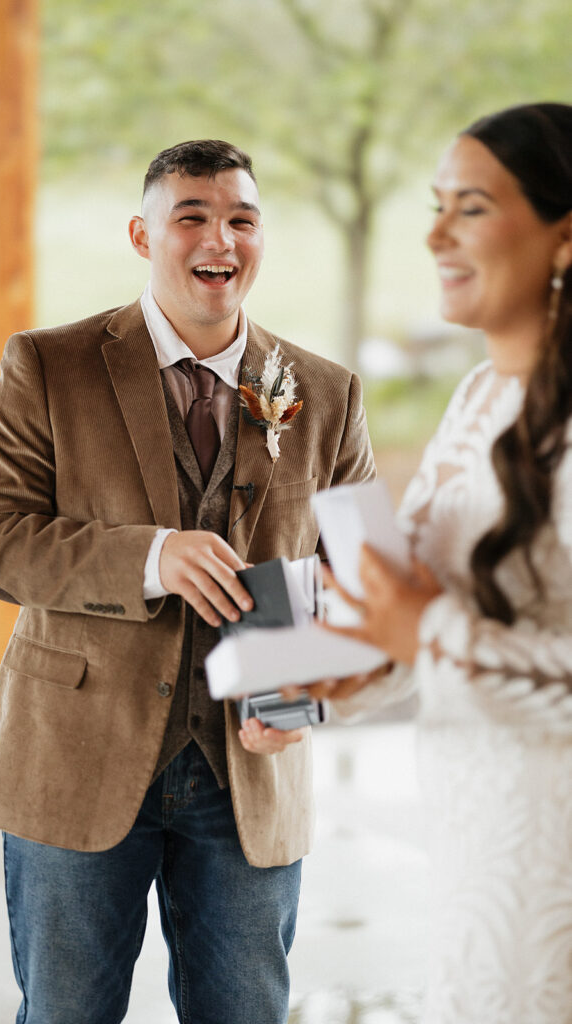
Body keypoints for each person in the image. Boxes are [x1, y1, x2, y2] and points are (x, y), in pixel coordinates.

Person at [0, 139, 375, 1024]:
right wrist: (149, 557)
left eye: (241, 219)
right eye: (191, 216)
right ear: (144, 236)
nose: (218, 237)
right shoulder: (49, 365)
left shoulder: (326, 393)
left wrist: (303, 689)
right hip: (71, 761)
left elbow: (364, 576)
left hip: (250, 780)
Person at [309, 103, 572, 1023]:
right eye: (434, 205)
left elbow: (437, 627)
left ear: (565, 235)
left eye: (469, 206)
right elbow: (412, 606)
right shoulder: (474, 395)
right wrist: (354, 668)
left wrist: (424, 633)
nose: (432, 234)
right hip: (470, 842)